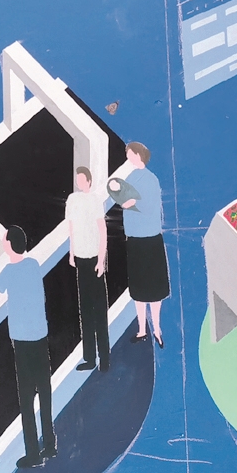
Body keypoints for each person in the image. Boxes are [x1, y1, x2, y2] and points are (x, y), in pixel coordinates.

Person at [0, 226, 57, 469]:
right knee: (45, 392)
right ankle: (50, 444)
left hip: (22, 340)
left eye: (3, 239)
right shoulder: (33, 265)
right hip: (40, 336)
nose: (2, 242)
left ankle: (33, 454)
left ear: (9, 245)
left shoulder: (9, 271)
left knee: (26, 399)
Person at [117, 142, 168, 348]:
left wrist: (133, 203)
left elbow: (149, 205)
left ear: (138, 155)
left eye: (130, 154)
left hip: (150, 239)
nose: (128, 157)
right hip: (135, 238)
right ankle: (142, 329)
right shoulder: (130, 178)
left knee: (154, 288)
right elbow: (122, 197)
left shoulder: (151, 179)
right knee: (138, 288)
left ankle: (157, 328)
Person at [65, 166, 110, 372]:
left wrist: (101, 260)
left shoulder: (95, 200)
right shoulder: (72, 200)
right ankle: (90, 358)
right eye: (78, 180)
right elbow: (71, 228)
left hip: (94, 260)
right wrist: (71, 252)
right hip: (81, 260)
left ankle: (105, 358)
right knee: (85, 312)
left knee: (99, 312)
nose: (80, 183)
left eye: (83, 180)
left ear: (89, 181)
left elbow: (103, 230)